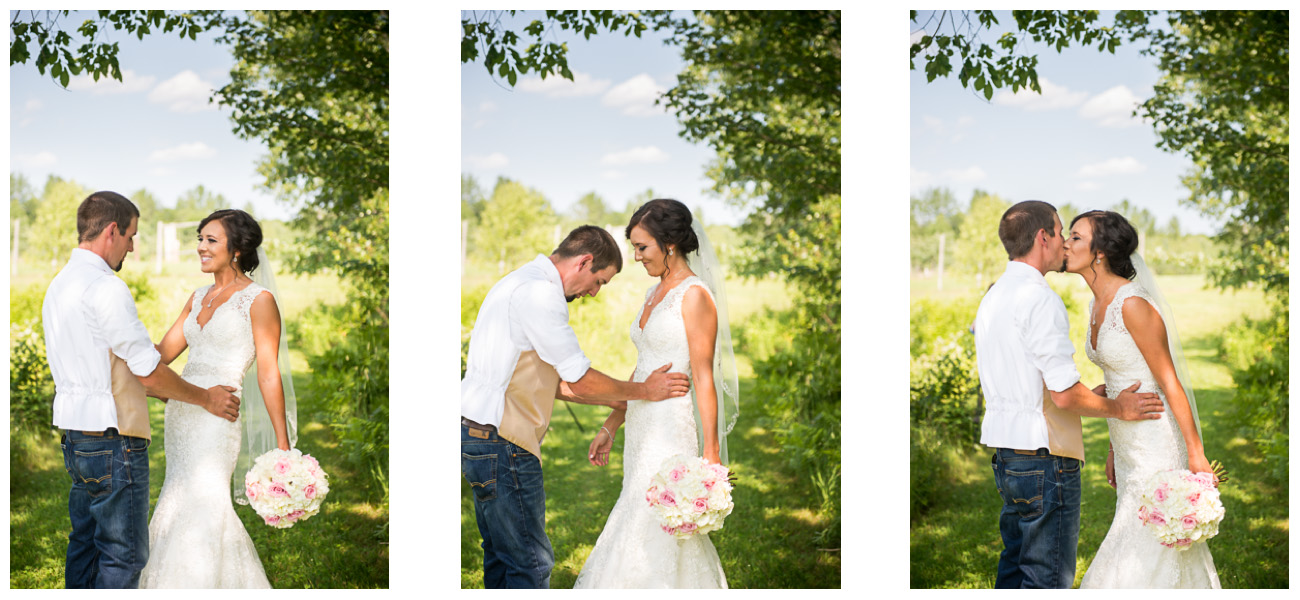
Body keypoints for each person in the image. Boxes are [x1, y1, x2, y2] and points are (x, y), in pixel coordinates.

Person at [461, 225, 693, 589]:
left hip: (478, 434)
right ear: (584, 261)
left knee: (501, 555)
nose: (594, 293)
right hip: (504, 440)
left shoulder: (517, 281)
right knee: (529, 564)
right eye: (599, 281)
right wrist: (645, 390)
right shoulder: (539, 294)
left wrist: (619, 408)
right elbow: (579, 378)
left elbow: (552, 382)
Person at [44, 191, 241, 589]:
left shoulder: (60, 285)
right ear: (112, 231)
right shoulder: (105, 287)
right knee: (123, 555)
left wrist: (169, 386)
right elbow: (148, 372)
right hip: (115, 439)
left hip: (77, 439)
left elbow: (117, 364)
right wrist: (205, 397)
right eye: (131, 236)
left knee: (84, 544)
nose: (132, 247)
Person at [973, 200, 1167, 589]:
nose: (1064, 242)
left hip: (1008, 456)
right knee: (1046, 579)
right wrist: (1118, 407)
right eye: (1062, 232)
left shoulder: (994, 297)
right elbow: (1062, 395)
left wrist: (1090, 394)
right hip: (1045, 458)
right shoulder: (1040, 299)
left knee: (1014, 567)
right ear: (1043, 237)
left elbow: (1032, 382)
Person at [574, 199, 738, 588]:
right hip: (642, 423)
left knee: (658, 518)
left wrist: (711, 455)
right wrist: (613, 422)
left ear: (669, 244)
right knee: (636, 505)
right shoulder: (654, 293)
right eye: (633, 247)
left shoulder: (695, 295)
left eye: (641, 247)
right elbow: (645, 367)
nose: (634, 256)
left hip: (670, 425)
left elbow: (703, 378)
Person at [1064, 210, 1220, 588]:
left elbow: (1169, 381)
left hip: (1154, 439)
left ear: (1099, 252)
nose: (1066, 244)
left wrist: (1196, 453)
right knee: (1134, 524)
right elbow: (1122, 376)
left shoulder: (1132, 304)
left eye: (1076, 237)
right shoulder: (1095, 303)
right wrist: (1116, 448)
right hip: (1128, 439)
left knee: (1153, 536)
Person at [139, 209, 294, 588]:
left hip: (219, 415)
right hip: (183, 412)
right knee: (177, 494)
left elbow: (269, 372)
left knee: (207, 499)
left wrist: (283, 445)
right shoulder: (196, 297)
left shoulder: (259, 300)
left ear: (237, 249)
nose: (201, 248)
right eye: (200, 239)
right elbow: (163, 355)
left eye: (211, 240)